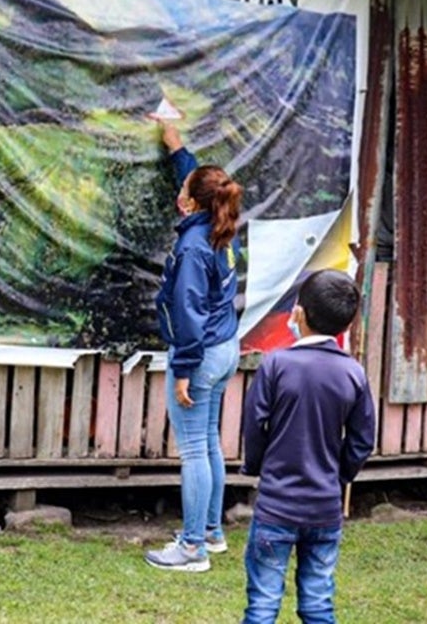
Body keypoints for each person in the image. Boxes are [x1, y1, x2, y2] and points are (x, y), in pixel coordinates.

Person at [239, 269, 377, 623]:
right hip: (325, 509)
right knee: (318, 604)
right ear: (345, 327)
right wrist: (338, 476)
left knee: (263, 605)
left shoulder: (276, 365)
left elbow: (254, 426)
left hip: (276, 506)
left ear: (298, 313)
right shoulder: (353, 373)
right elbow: (362, 441)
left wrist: (256, 466)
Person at [144, 119, 244, 573]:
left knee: (192, 452)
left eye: (184, 186)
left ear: (189, 202)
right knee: (208, 444)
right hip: (225, 349)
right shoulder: (221, 227)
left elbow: (187, 316)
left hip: (200, 355)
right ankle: (211, 534)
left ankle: (191, 550)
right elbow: (199, 180)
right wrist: (175, 145)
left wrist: (183, 367)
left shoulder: (191, 250)